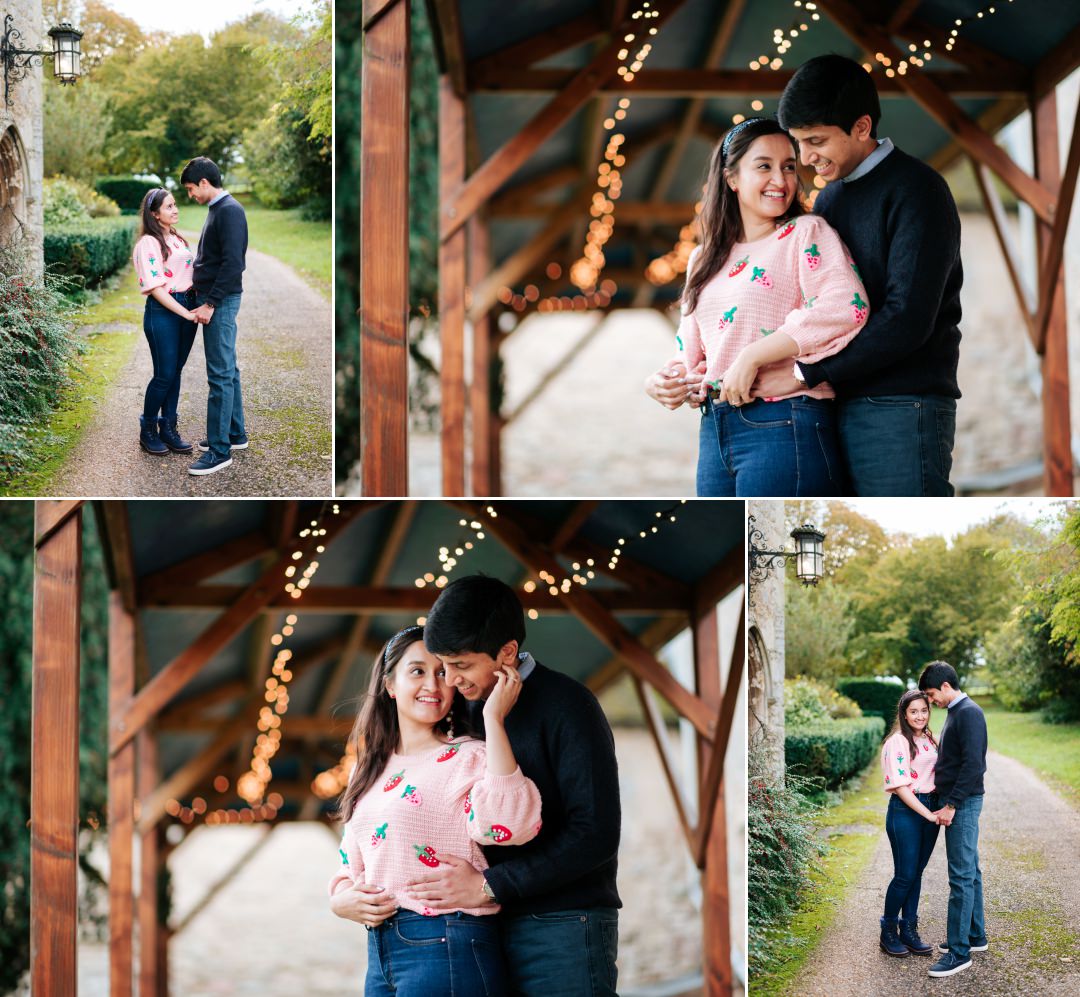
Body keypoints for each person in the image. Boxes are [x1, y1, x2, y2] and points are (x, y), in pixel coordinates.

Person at [755, 54, 963, 496]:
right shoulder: (828, 202)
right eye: (799, 142)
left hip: (903, 405)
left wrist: (806, 374)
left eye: (816, 141)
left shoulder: (918, 190)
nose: (805, 158)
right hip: (836, 403)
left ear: (862, 127)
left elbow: (908, 317)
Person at [406, 575, 622, 996]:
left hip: (563, 924)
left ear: (507, 652)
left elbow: (595, 833)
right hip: (480, 928)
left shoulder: (569, 705)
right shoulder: (457, 714)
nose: (448, 680)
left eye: (462, 665)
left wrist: (490, 885)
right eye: (443, 664)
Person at [647, 116, 868, 496]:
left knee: (775, 544)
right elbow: (694, 353)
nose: (780, 180)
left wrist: (753, 356)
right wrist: (665, 382)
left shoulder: (805, 233)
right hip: (714, 427)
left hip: (785, 421)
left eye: (788, 167)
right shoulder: (702, 258)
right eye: (763, 166)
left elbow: (846, 305)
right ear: (732, 178)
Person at [328, 624, 541, 996]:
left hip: (447, 939)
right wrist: (340, 899)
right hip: (380, 952)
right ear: (390, 685)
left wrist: (494, 722)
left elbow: (512, 825)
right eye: (418, 671)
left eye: (443, 672)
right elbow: (352, 860)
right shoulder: (369, 770)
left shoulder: (469, 755)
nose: (433, 684)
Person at [918, 661, 988, 979]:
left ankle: (959, 954)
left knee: (960, 876)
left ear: (946, 686)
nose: (931, 701)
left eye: (932, 695)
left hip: (962, 803)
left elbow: (974, 765)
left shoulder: (969, 713)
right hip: (959, 802)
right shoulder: (957, 712)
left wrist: (951, 805)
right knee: (970, 871)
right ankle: (975, 937)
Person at [180, 156, 249, 476]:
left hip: (218, 302)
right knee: (228, 369)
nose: (191, 195)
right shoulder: (217, 209)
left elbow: (234, 264)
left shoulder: (230, 211)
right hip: (212, 299)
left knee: (219, 374)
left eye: (192, 189)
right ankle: (235, 435)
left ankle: (220, 452)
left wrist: (210, 304)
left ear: (205, 183)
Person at [131, 188, 198, 456]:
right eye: (169, 207)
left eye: (175, 204)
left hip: (188, 308)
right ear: (155, 214)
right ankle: (147, 431)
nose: (175, 209)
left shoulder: (178, 240)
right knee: (164, 374)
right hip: (164, 312)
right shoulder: (148, 243)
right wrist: (184, 313)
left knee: (176, 372)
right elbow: (157, 288)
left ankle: (168, 428)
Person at [879, 690, 941, 959]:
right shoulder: (897, 742)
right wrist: (927, 814)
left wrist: (932, 735)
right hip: (906, 811)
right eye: (913, 711)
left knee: (916, 872)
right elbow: (902, 788)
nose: (920, 716)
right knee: (904, 875)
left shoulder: (927, 738)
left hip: (931, 807)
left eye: (924, 711)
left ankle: (909, 930)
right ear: (904, 713)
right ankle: (888, 931)